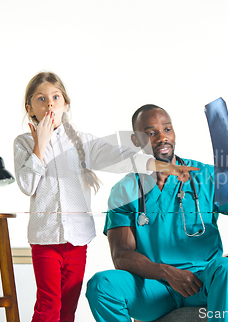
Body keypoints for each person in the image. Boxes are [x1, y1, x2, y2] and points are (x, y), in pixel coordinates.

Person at [13, 74, 195, 322]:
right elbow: (27, 185)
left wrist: (162, 166)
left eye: (56, 98)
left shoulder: (82, 143)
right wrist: (40, 145)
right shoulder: (23, 143)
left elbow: (121, 157)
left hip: (77, 242)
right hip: (45, 241)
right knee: (48, 305)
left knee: (67, 309)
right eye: (41, 99)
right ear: (30, 108)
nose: (50, 105)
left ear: (65, 104)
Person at [86, 104, 228, 322]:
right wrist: (166, 272)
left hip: (202, 282)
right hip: (154, 287)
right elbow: (121, 256)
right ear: (136, 141)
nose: (162, 138)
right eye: (150, 133)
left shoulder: (206, 177)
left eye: (167, 129)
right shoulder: (124, 191)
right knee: (101, 286)